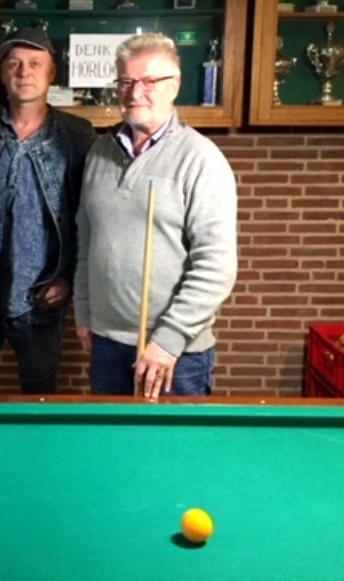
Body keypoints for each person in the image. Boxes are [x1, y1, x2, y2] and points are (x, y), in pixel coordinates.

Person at [74, 33, 237, 398]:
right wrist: (84, 313)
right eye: (126, 82)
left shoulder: (201, 159)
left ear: (174, 86)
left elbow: (217, 267)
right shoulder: (98, 153)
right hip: (106, 342)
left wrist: (167, 341)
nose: (135, 93)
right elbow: (86, 243)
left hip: (175, 353)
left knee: (173, 439)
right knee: (110, 435)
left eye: (149, 82)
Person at [0, 28, 96, 395]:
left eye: (34, 64)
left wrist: (68, 278)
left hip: (42, 298)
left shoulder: (77, 136)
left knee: (39, 402)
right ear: (2, 73)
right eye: (14, 64)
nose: (24, 72)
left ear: (51, 72)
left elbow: (89, 218)